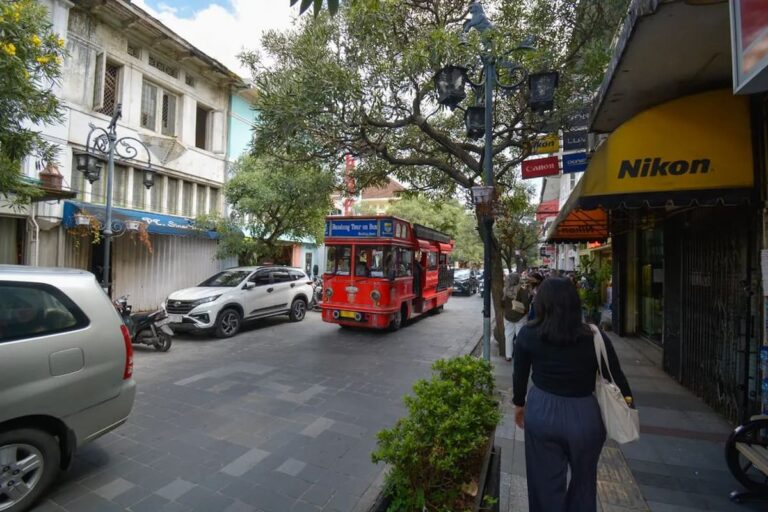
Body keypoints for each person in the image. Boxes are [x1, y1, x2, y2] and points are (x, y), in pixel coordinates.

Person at [512, 277, 633, 512]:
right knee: (584, 482)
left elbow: (520, 375)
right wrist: (628, 405)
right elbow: (614, 375)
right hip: (585, 414)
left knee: (543, 484)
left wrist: (519, 405)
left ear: (542, 303)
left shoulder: (529, 334)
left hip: (542, 411)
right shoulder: (595, 336)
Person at [501, 272, 530, 362]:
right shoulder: (522, 289)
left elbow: (502, 304)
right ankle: (519, 356)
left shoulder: (505, 289)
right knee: (520, 337)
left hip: (508, 316)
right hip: (520, 317)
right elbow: (526, 304)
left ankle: (508, 356)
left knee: (508, 336)